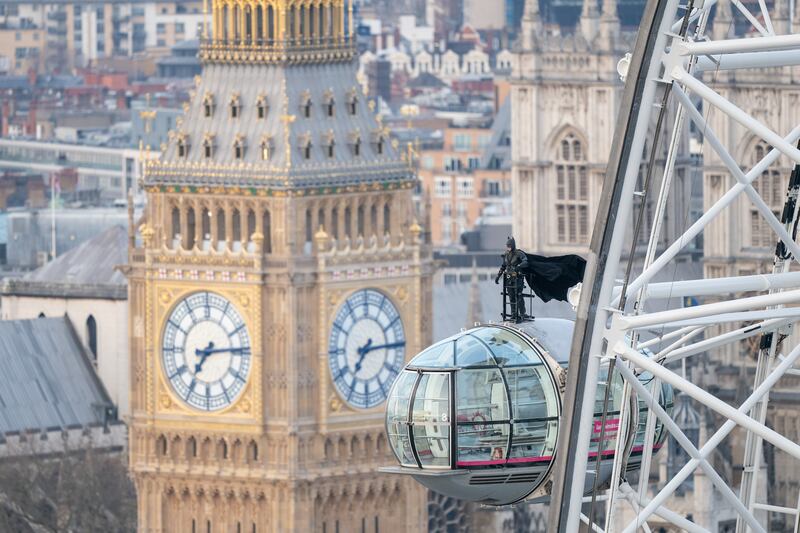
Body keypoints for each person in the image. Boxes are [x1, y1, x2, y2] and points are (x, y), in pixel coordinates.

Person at [495, 236, 528, 323]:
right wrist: (498, 276)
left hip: (518, 278)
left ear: (513, 245)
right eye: (507, 245)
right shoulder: (506, 254)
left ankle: (522, 314)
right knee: (511, 296)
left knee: (518, 295)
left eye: (509, 245)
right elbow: (503, 266)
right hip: (509, 278)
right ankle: (514, 314)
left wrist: (518, 266)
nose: (508, 247)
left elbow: (525, 261)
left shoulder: (519, 253)